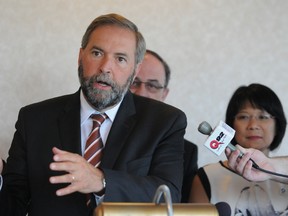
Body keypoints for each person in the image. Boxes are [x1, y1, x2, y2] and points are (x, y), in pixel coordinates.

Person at [0, 13, 187, 216]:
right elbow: (12, 204)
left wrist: (101, 180)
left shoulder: (164, 122)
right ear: (80, 57)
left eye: (120, 59)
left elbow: (168, 197)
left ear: (135, 70)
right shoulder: (34, 119)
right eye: (97, 53)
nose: (105, 67)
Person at [189, 83, 288, 215]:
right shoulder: (207, 176)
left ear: (278, 125)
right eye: (244, 117)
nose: (253, 125)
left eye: (263, 117)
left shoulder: (284, 173)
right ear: (231, 125)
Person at [129, 49, 198, 203]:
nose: (141, 93)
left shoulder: (187, 152)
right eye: (134, 83)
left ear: (164, 94)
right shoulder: (100, 133)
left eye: (152, 86)